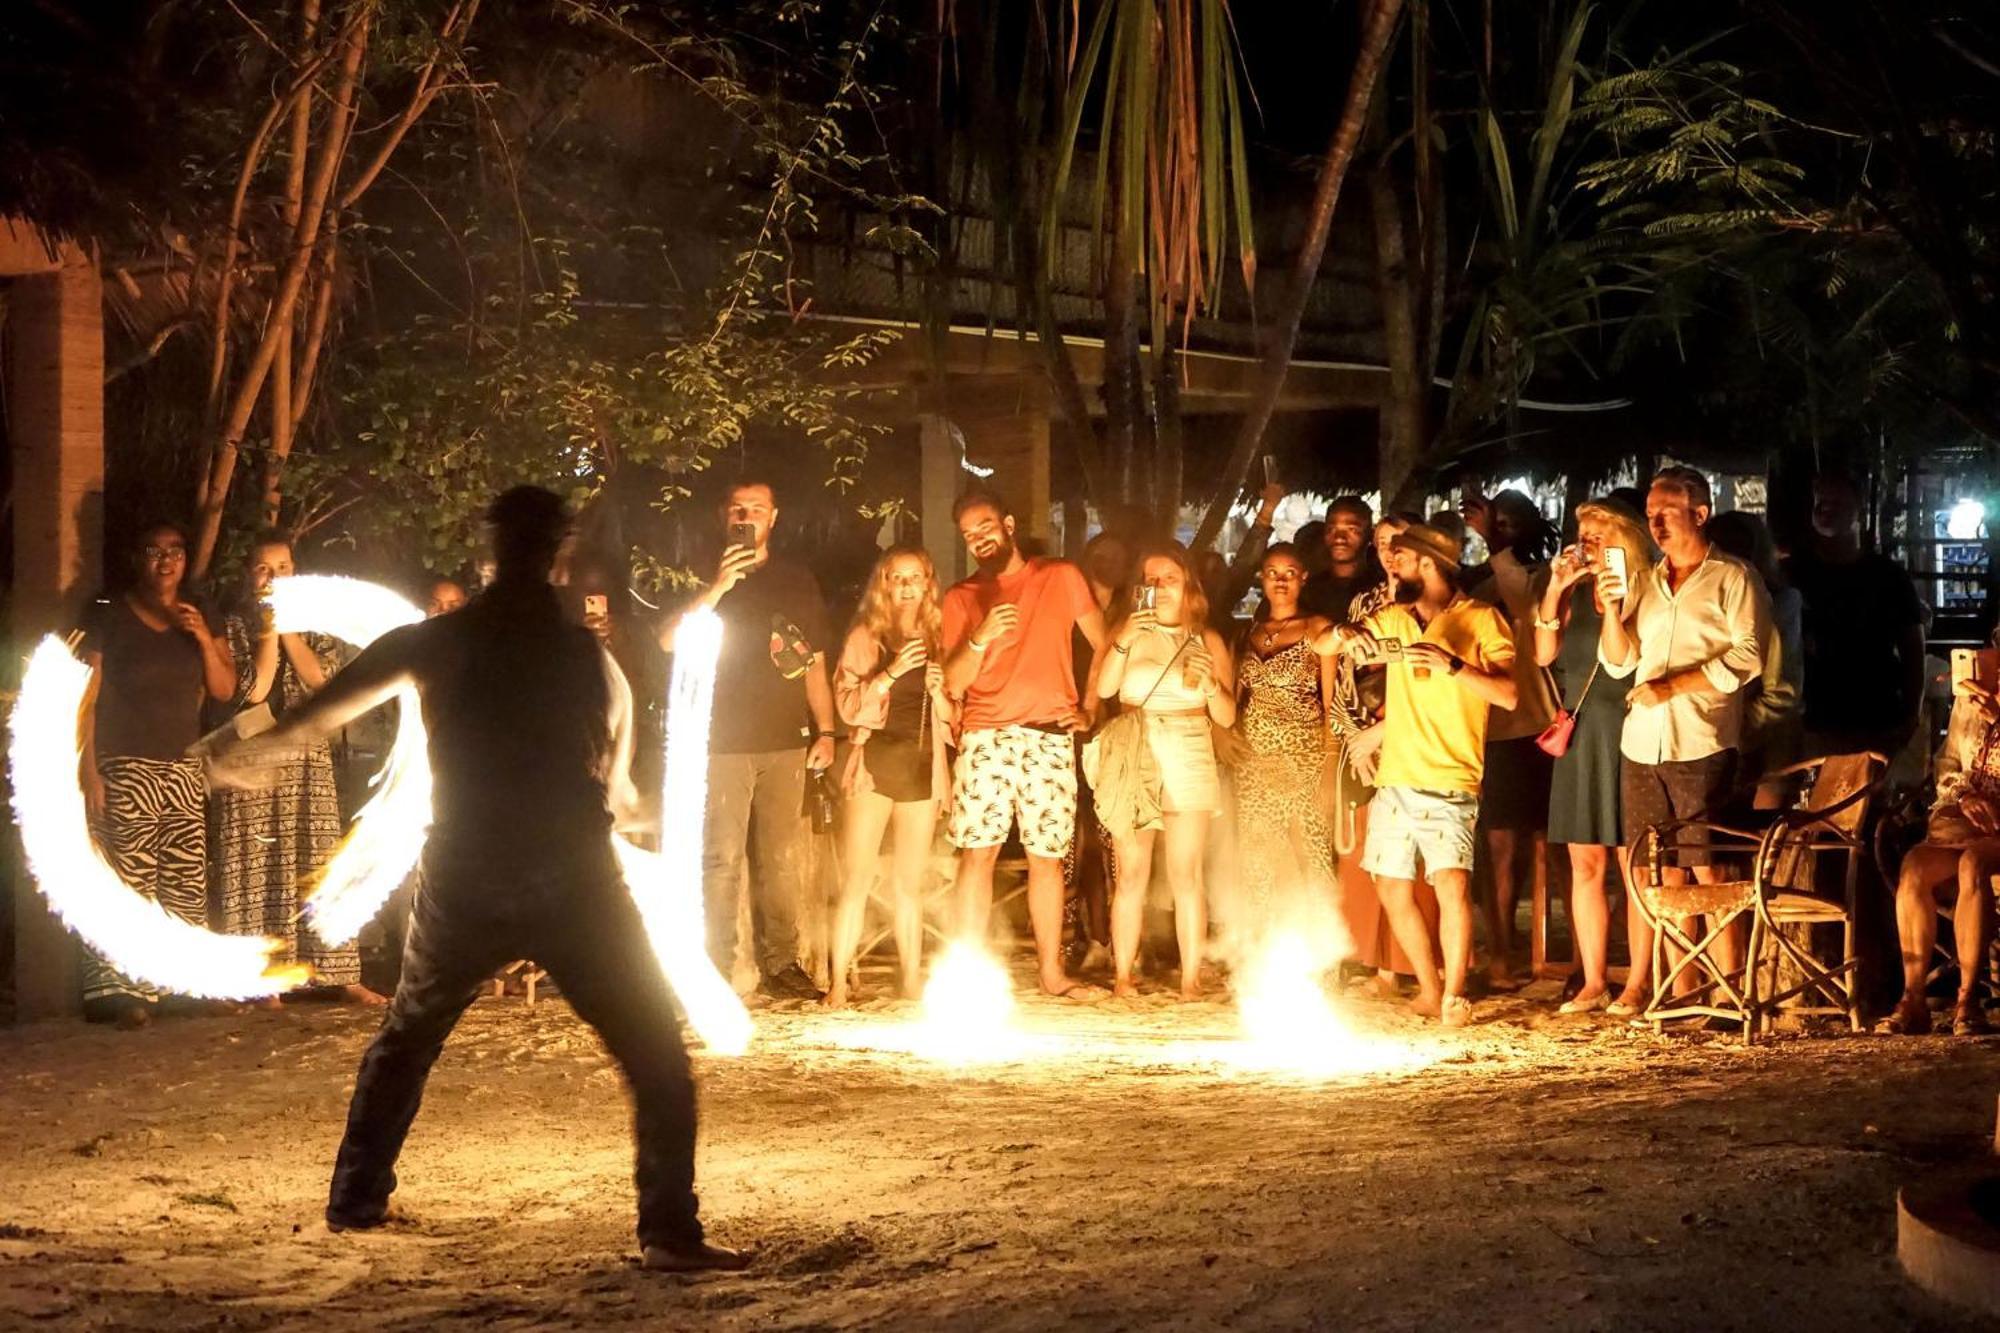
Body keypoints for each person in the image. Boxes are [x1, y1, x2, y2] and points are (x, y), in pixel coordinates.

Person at [205, 487, 743, 1272]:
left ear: (491, 552)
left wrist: (244, 755)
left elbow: (311, 721)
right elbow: (622, 798)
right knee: (655, 1053)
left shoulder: (435, 641)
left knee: (409, 1035)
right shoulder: (586, 661)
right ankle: (668, 1230)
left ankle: (356, 1198)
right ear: (558, 554)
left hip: (472, 870)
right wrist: (664, 811)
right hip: (569, 874)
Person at [1323, 523, 1518, 1025]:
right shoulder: (1394, 617)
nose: (1394, 566)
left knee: (1451, 884)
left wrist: (1453, 664)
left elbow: (1509, 695)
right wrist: (1345, 635)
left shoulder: (1482, 619)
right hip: (1395, 776)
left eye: (1403, 559)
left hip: (1450, 775)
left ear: (1428, 564)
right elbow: (1327, 646)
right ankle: (1430, 987)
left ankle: (1454, 993)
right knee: (1390, 884)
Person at [658, 480, 836, 1001]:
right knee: (721, 860)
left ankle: (781, 963)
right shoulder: (701, 576)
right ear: (724, 517)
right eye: (738, 508)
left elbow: (814, 661)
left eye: (756, 508)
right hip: (720, 742)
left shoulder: (797, 581)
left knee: (779, 859)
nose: (747, 515)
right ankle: (714, 969)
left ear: (773, 517)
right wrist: (717, 587)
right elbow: (669, 640)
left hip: (784, 740)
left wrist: (826, 730)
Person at [1597, 467, 1767, 998]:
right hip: (1642, 743)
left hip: (1701, 742)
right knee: (1659, 871)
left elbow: (1749, 655)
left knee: (1709, 871)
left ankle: (1730, 988)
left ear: (1699, 513)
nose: (1655, 523)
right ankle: (1682, 987)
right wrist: (1608, 611)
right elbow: (1619, 663)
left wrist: (1673, 686)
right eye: (1650, 514)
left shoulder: (1733, 578)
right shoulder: (1645, 580)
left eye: (1666, 512)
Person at [941, 490, 1107, 998]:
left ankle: (1052, 974)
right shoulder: (961, 597)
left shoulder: (1059, 576)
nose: (979, 538)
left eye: (985, 525)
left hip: (1048, 736)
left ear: (1009, 523)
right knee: (977, 854)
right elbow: (952, 681)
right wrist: (980, 636)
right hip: (985, 735)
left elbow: (1106, 643)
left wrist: (1093, 707)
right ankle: (969, 974)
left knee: (1047, 858)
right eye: (969, 533)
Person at [76, 521, 237, 1027]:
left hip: (183, 765)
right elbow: (85, 695)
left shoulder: (200, 613)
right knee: (130, 876)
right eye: (153, 550)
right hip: (125, 763)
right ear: (137, 558)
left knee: (185, 878)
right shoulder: (108, 613)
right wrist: (88, 771)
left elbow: (225, 690)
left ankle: (178, 983)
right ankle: (118, 991)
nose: (165, 561)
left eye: (175, 551)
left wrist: (202, 638)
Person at [213, 532, 379, 1005]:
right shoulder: (235, 626)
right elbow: (254, 690)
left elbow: (322, 682)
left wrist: (289, 629)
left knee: (317, 859)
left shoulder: (319, 628)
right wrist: (268, 632)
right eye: (264, 568)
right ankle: (265, 978)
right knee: (256, 865)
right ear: (250, 574)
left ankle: (338, 974)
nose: (274, 577)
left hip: (308, 758)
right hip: (252, 758)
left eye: (283, 567)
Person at [1095, 545, 1237, 998]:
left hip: (1190, 748)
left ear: (1187, 585)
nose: (1159, 588)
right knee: (1131, 873)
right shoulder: (1131, 631)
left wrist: (1211, 683)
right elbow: (1104, 687)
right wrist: (1122, 638)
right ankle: (1122, 977)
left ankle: (1191, 979)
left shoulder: (1207, 640)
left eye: (1169, 579)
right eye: (1150, 580)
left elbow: (1228, 718)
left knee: (1185, 873)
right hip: (1137, 748)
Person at [1534, 499, 1651, 1015]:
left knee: (1634, 866)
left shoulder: (1645, 587)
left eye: (1597, 534)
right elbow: (1542, 654)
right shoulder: (1577, 592)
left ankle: (1638, 982)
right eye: (1582, 534)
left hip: (1627, 732)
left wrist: (1614, 604)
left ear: (1623, 536)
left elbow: (1624, 663)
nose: (1587, 543)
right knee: (1584, 861)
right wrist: (1557, 588)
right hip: (1580, 736)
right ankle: (1593, 980)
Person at [826, 546, 954, 1006]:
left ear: (927, 583)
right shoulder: (867, 636)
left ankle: (912, 982)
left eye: (914, 577)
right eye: (897, 578)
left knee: (909, 884)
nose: (906, 586)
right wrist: (890, 674)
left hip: (920, 767)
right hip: (874, 766)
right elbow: (847, 706)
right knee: (857, 880)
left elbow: (955, 717)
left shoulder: (938, 636)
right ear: (884, 584)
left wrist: (941, 697)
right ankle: (839, 984)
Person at [1332, 510, 1441, 995]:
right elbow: (1346, 675)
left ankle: (1421, 968)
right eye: (1380, 543)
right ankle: (1379, 967)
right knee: (1373, 857)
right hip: (1365, 740)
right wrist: (1356, 737)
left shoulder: (1434, 605)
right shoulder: (1366, 603)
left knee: (1417, 862)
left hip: (1419, 741)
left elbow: (1434, 684)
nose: (1388, 551)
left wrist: (1386, 732)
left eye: (1398, 542)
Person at [1463, 489, 1560, 987]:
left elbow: (1526, 603)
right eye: (1493, 523)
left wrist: (1491, 543)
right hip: (1497, 731)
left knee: (1545, 844)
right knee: (1500, 847)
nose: (1499, 531)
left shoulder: (1546, 579)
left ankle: (1553, 953)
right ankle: (1500, 951)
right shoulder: (1478, 591)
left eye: (1508, 524)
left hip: (1539, 726)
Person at [1232, 544, 1338, 950]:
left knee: (1311, 852)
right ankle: (1264, 950)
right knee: (1258, 855)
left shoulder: (1318, 629)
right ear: (1260, 577)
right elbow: (1239, 699)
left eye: (1289, 572)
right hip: (1257, 759)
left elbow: (1333, 704)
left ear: (1304, 578)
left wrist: (1329, 771)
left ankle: (1324, 955)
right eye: (1272, 571)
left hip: (1305, 757)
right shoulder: (1249, 632)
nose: (1279, 580)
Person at [1884, 671, 2000, 1036]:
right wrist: (1964, 796)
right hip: (1968, 820)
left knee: (1973, 864)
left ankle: (1968, 1000)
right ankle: (1913, 997)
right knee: (1915, 868)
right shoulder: (1974, 691)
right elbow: (1948, 763)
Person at [1783, 472, 1924, 760]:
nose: (1826, 509)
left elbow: (1913, 649)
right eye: (1820, 502)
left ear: (1858, 508)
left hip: (1874, 716)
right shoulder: (1791, 574)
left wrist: (1912, 713)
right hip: (1809, 718)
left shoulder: (1888, 577)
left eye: (1837, 502)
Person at [1708, 510, 1804, 804]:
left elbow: (1782, 692)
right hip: (1716, 740)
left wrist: (1734, 725)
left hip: (1764, 748)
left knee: (1760, 841)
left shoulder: (1777, 604)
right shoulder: (1705, 603)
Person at [1300, 497, 1376, 621]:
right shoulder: (1309, 592)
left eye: (1352, 530)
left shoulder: (1381, 589)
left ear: (1370, 534)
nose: (1339, 538)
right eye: (1332, 529)